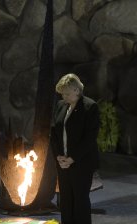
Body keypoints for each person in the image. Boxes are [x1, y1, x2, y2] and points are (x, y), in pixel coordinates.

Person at [50, 73, 100, 224]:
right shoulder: (60, 105)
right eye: (62, 94)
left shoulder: (90, 107)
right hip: (63, 162)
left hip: (82, 162)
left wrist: (72, 158)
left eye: (66, 93)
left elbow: (89, 138)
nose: (63, 97)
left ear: (76, 91)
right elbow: (54, 132)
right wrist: (58, 156)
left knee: (80, 199)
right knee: (65, 199)